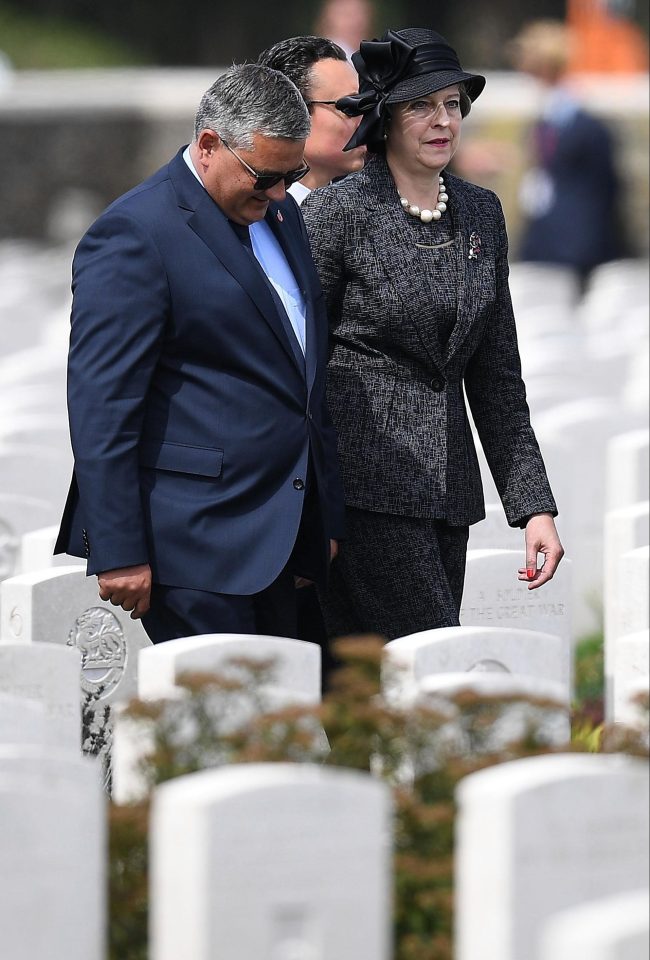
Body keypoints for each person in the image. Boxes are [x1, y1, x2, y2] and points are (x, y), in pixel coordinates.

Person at [55, 63, 345, 645]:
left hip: (280, 537)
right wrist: (119, 551)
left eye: (295, 174)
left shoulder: (282, 214)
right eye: (265, 175)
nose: (280, 193)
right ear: (209, 144)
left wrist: (324, 512)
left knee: (275, 729)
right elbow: (103, 406)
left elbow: (301, 374)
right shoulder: (136, 233)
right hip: (190, 545)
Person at [301, 27, 565, 642]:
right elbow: (298, 359)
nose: (442, 120)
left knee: (388, 684)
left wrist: (533, 506)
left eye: (452, 104)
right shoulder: (339, 213)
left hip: (450, 494)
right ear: (385, 120)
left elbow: (497, 374)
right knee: (430, 662)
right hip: (366, 489)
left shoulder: (480, 212)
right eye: (420, 105)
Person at [511, 20, 626, 279]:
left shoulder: (586, 127)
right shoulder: (542, 121)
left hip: (578, 250)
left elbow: (605, 190)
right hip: (545, 243)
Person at [258, 36, 365, 203]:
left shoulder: (357, 209)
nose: (365, 120)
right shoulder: (256, 211)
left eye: (366, 106)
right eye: (350, 107)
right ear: (293, 113)